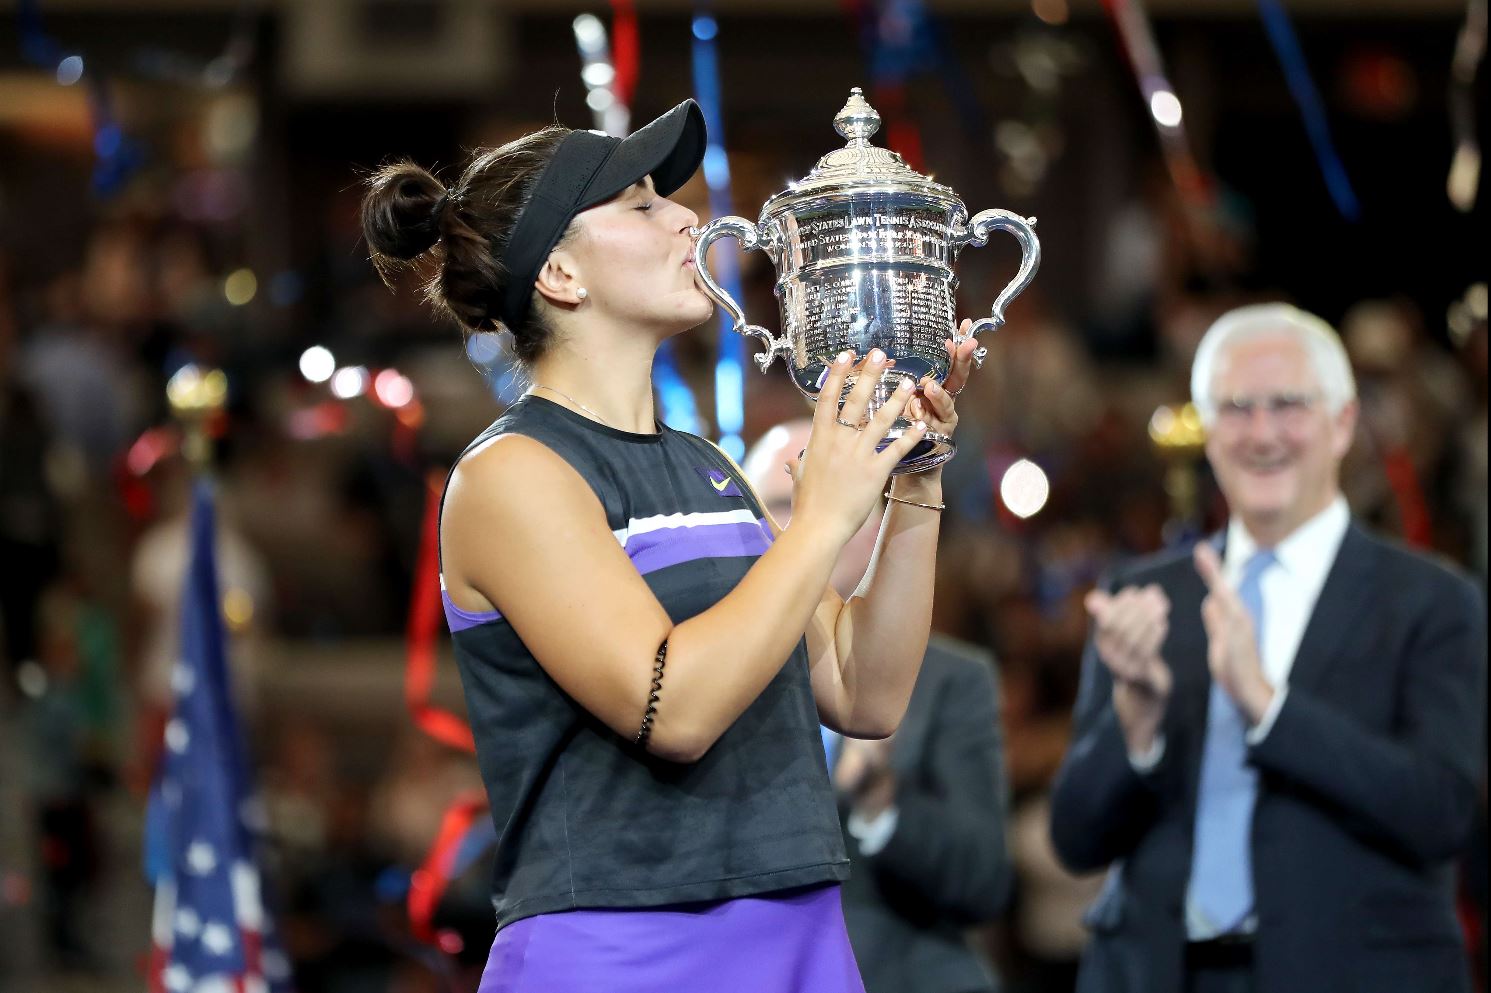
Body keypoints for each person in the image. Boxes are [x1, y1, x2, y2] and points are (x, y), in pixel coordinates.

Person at [359, 98, 978, 993]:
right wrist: (819, 520)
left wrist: (914, 477)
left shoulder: (705, 465)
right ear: (561, 274)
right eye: (641, 204)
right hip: (624, 948)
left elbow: (861, 687)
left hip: (798, 929)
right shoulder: (510, 475)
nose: (688, 215)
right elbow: (672, 709)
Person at [1048, 303, 1486, 993]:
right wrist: (1134, 726)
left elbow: (1441, 813)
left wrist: (1268, 706)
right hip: (1153, 972)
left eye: (1286, 405)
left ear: (1342, 423)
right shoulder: (1145, 596)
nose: (1260, 433)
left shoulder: (1432, 601)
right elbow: (1074, 840)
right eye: (1234, 408)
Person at [743, 419, 1012, 993]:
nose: (803, 528)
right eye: (778, 504)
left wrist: (879, 799)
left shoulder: (949, 680)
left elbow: (984, 886)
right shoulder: (703, 663)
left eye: (837, 501)